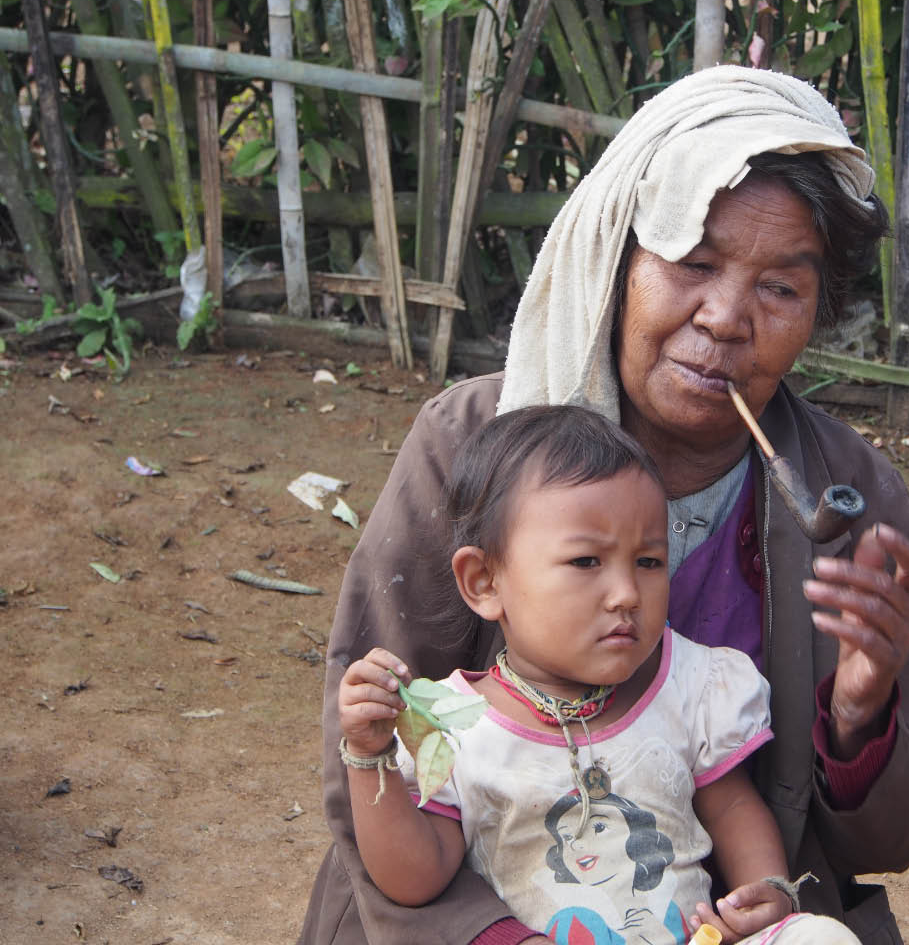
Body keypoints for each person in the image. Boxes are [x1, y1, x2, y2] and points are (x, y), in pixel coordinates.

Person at [299, 64, 909, 945]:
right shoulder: (471, 443)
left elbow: (896, 838)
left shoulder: (848, 501)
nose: (728, 317)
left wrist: (858, 718)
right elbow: (373, 757)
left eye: (781, 288)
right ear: (615, 258)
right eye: (694, 262)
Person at [337, 405, 861, 945]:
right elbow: (415, 880)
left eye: (649, 562)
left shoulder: (689, 687)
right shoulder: (455, 729)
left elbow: (731, 805)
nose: (626, 594)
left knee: (819, 937)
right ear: (484, 581)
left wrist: (765, 892)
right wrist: (367, 755)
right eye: (586, 562)